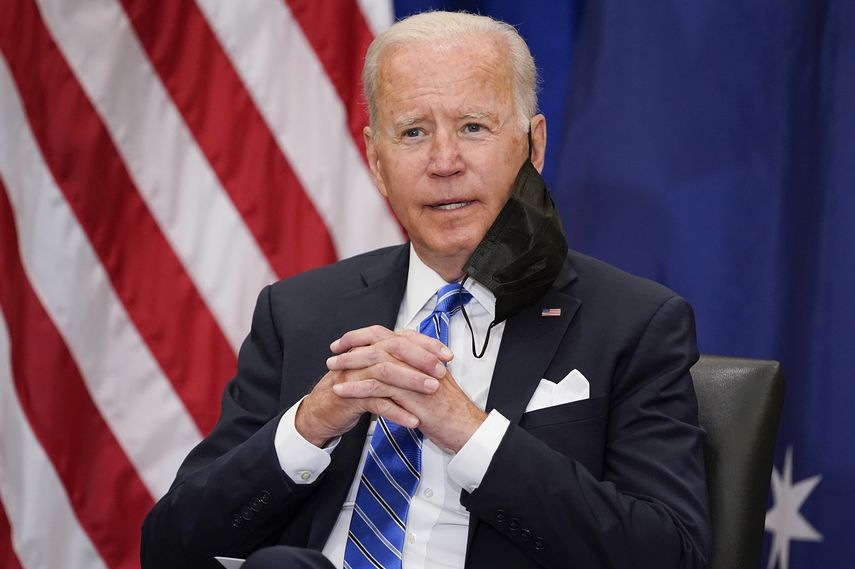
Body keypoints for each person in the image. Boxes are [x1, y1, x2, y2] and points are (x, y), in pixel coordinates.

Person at [141, 11, 710, 569]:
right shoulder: (299, 312)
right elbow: (171, 546)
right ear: (376, 160)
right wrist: (310, 424)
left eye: (473, 127)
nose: (444, 162)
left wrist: (468, 431)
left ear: (533, 146)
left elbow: (670, 552)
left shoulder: (634, 322)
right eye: (413, 132)